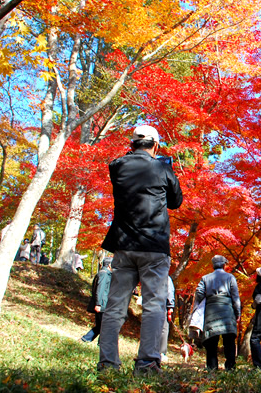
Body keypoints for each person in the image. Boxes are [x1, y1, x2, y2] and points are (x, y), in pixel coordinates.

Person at [97, 125, 183, 376]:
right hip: (154, 247)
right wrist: (164, 168)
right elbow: (176, 202)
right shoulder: (162, 168)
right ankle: (147, 364)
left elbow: (121, 170)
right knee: (155, 305)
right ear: (155, 145)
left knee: (115, 307)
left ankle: (108, 364)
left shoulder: (117, 165)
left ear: (132, 144)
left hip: (124, 244)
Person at [193, 255, 241, 370]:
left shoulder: (205, 278)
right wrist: (237, 313)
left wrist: (196, 308)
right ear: (224, 264)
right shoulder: (230, 277)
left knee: (211, 341)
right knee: (229, 341)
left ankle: (212, 368)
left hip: (211, 310)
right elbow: (235, 297)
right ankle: (230, 367)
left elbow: (199, 293)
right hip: (227, 310)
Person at [82, 257, 113, 343]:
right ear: (109, 265)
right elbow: (100, 289)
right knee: (106, 326)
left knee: (100, 326)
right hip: (102, 304)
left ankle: (86, 339)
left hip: (103, 303)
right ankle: (102, 344)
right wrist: (98, 304)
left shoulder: (105, 273)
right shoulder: (104, 274)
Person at [160, 276, 175, 363]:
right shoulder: (167, 278)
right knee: (164, 329)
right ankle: (161, 352)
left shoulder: (151, 274)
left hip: (150, 305)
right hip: (162, 306)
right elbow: (169, 292)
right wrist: (170, 306)